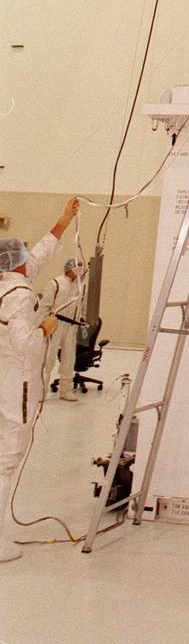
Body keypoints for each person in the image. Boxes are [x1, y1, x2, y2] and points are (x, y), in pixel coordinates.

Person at [0, 197, 80, 562]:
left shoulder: (8, 282)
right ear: (17, 261)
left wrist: (62, 221)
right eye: (25, 254)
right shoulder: (18, 297)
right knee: (7, 459)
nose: (31, 257)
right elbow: (25, 345)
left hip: (6, 378)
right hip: (15, 385)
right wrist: (46, 328)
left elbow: (39, 256)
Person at [41, 257, 85, 402]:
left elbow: (81, 306)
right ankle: (41, 390)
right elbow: (45, 305)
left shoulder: (80, 286)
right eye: (77, 266)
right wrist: (41, 325)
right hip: (55, 323)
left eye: (81, 266)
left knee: (68, 358)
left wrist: (82, 321)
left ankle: (65, 390)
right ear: (69, 267)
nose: (80, 269)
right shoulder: (55, 283)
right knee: (49, 358)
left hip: (72, 325)